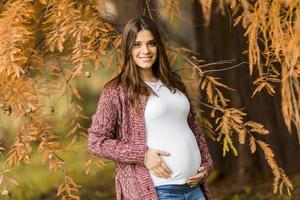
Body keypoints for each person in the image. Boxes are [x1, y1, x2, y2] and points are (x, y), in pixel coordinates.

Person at [88, 17, 213, 200]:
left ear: (158, 47)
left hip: (194, 190)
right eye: (137, 45)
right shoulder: (116, 91)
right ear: (128, 49)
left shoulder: (173, 82)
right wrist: (143, 155)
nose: (145, 51)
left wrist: (206, 163)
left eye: (151, 44)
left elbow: (193, 128)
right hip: (159, 192)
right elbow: (96, 142)